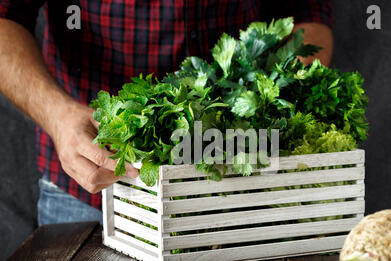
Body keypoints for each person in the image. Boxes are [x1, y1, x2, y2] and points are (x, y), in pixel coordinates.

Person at [0, 1, 333, 225]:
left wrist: (271, 100)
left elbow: (306, 11)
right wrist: (58, 115)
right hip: (96, 184)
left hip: (238, 183)